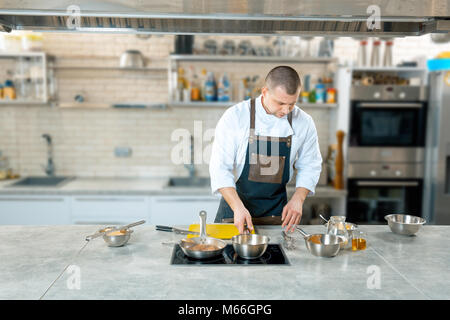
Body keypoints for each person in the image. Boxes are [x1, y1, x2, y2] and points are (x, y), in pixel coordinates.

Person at [209, 66, 322, 233]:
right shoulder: (236, 117)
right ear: (264, 92)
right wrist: (238, 208)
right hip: (234, 213)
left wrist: (298, 198)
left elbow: (310, 165)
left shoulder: (304, 122)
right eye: (280, 103)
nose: (286, 110)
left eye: (292, 104)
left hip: (277, 216)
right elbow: (219, 168)